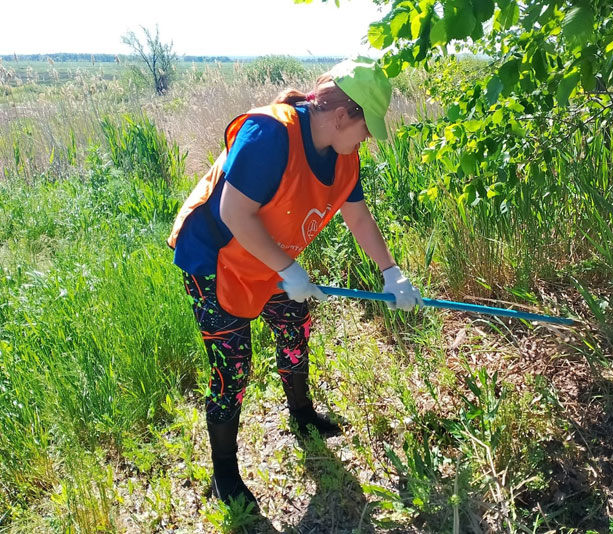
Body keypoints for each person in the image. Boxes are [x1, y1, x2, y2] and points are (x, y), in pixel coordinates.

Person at [167, 57, 423, 510]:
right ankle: (225, 474)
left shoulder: (343, 156)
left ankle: (302, 415)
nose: (367, 138)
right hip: (215, 258)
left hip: (269, 257)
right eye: (366, 128)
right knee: (234, 366)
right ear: (343, 115)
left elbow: (358, 216)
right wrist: (288, 269)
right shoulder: (270, 135)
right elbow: (233, 213)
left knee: (294, 327)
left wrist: (390, 271)